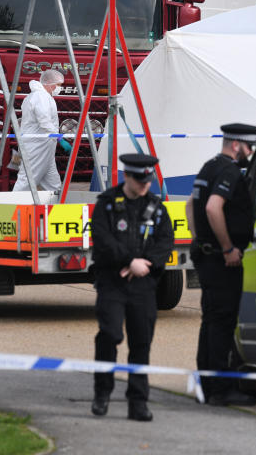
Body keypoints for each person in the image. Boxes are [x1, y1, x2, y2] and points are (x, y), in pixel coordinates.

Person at [90, 153, 175, 422]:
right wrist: (129, 261)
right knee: (110, 335)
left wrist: (146, 264)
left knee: (141, 343)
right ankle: (102, 394)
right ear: (126, 175)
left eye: (148, 180)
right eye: (140, 180)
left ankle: (138, 402)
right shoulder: (106, 204)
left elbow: (165, 241)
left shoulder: (156, 208)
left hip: (143, 284)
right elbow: (102, 239)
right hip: (112, 282)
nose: (145, 185)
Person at [185, 122, 256, 406]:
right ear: (236, 145)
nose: (250, 152)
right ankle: (220, 390)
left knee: (210, 320)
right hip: (221, 260)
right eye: (249, 147)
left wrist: (200, 237)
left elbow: (190, 205)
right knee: (222, 324)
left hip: (206, 256)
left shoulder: (208, 166)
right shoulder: (229, 171)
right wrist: (227, 247)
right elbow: (211, 207)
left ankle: (207, 384)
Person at [12, 69, 65, 193]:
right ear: (51, 84)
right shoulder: (40, 96)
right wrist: (59, 137)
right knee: (27, 181)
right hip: (37, 147)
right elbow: (44, 121)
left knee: (53, 183)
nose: (59, 88)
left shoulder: (42, 96)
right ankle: (11, 209)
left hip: (45, 147)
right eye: (59, 85)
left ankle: (55, 207)